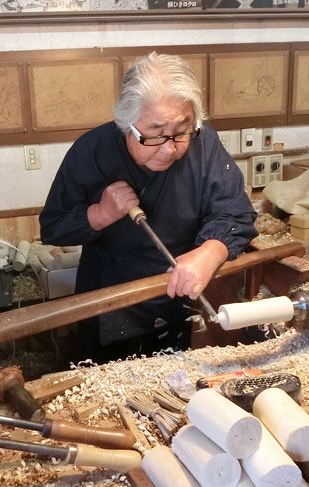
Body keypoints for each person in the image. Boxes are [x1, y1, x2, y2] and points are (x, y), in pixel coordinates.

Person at [39, 52, 258, 363]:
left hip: (175, 297)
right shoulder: (91, 152)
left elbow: (236, 213)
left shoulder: (203, 143)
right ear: (126, 124)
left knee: (171, 382)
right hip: (109, 304)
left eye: (181, 130)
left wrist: (211, 251)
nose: (170, 149)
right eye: (154, 134)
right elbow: (53, 227)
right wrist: (100, 214)